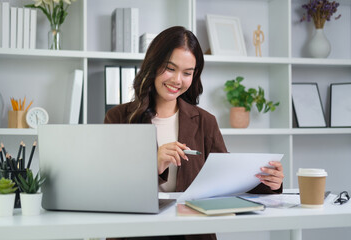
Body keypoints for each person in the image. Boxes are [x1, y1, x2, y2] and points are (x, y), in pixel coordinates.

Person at [104, 26, 284, 240]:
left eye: (187, 73)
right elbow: (109, 189)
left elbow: (227, 179)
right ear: (153, 66)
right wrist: (154, 164)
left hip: (192, 233)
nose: (177, 80)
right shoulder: (119, 117)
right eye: (170, 68)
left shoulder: (206, 122)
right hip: (137, 233)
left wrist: (269, 182)